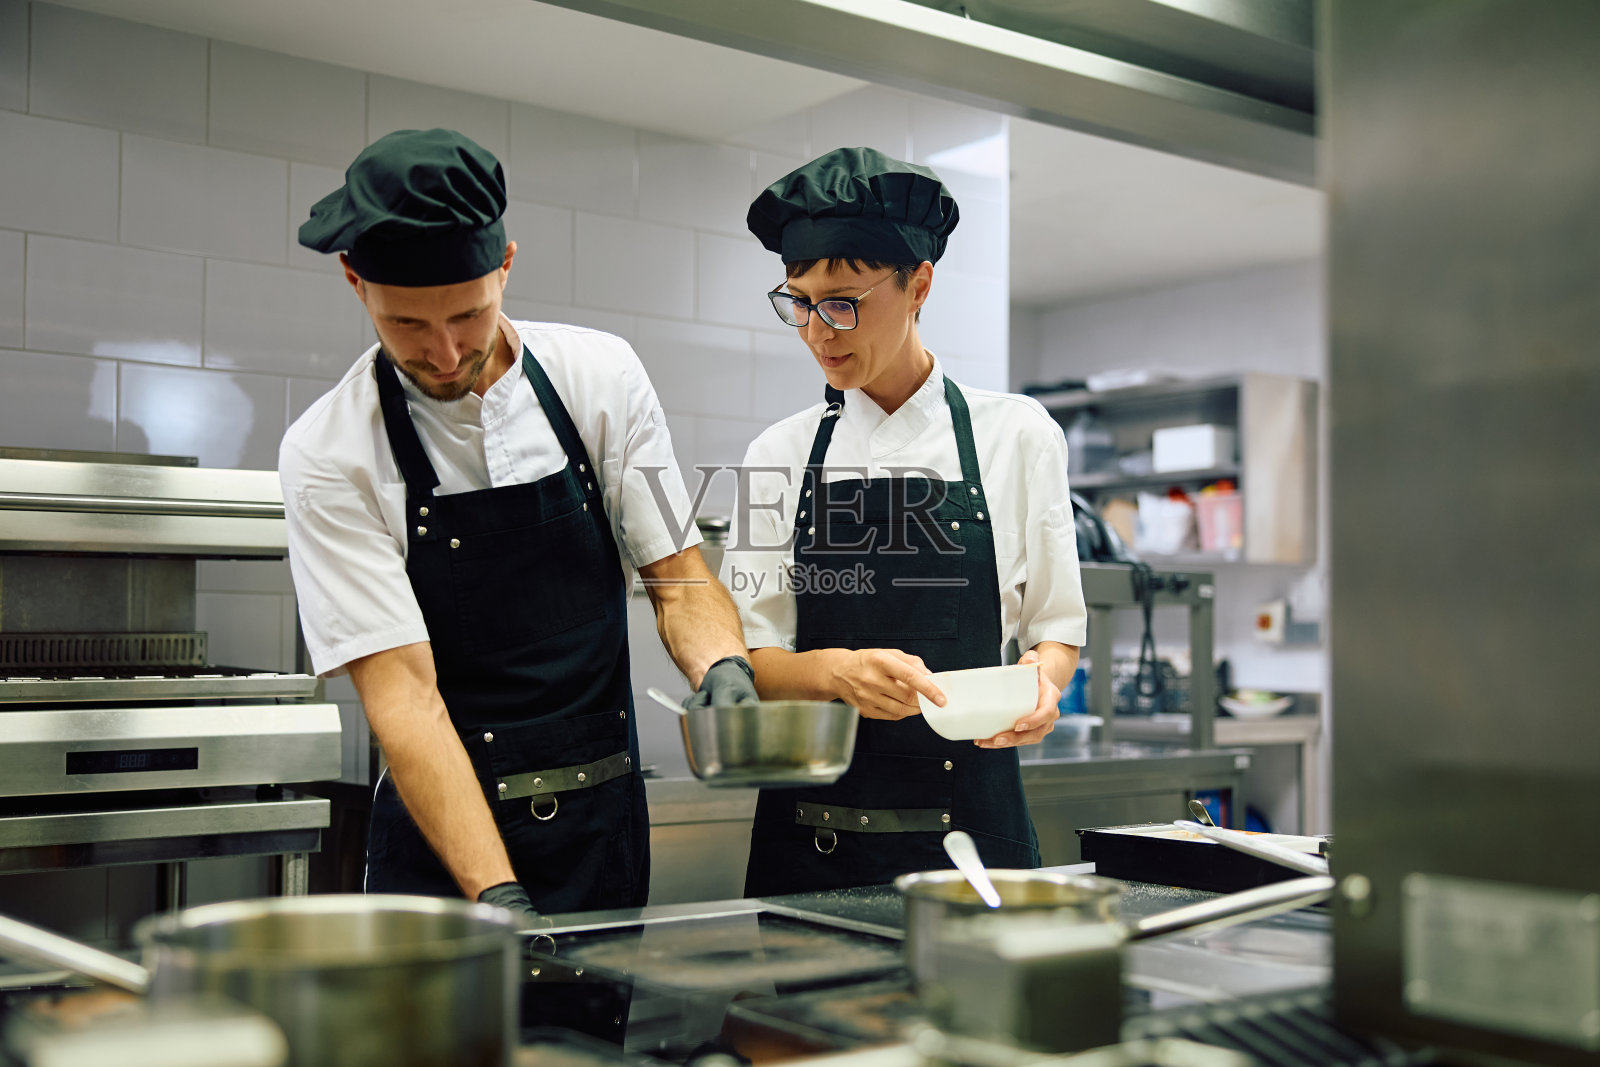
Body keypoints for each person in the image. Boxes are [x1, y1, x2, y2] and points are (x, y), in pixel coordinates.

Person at [280, 128, 757, 925]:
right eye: (407, 326)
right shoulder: (331, 452)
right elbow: (406, 701)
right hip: (444, 858)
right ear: (354, 282)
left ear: (505, 265)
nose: (444, 351)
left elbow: (677, 574)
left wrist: (724, 670)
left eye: (468, 315)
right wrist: (496, 894)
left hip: (599, 837)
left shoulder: (601, 379)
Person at [725, 147, 1088, 895]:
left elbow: (1056, 628)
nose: (818, 331)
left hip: (972, 843)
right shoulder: (780, 452)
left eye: (844, 301)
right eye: (799, 301)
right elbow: (751, 663)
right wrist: (836, 672)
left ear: (919, 284)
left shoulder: (1017, 435)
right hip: (812, 844)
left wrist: (1041, 688)